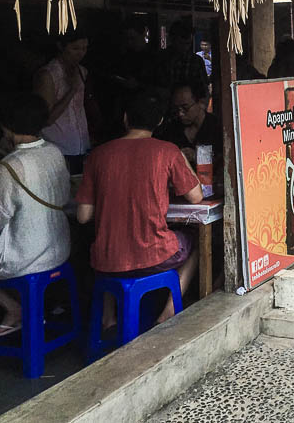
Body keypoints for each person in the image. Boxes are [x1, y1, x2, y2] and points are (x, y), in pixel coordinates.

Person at [76, 90, 202, 326]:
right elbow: (195, 197)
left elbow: (83, 216)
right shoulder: (167, 151)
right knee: (196, 242)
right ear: (160, 121)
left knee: (109, 249)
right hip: (153, 254)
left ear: (125, 119)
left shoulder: (98, 155)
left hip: (107, 258)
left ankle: (108, 316)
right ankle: (169, 311)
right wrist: (183, 159)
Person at [0, 93, 70, 338]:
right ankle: (30, 308)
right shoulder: (55, 152)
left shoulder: (8, 166)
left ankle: (14, 309)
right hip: (60, 249)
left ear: (5, 126)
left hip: (26, 258)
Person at [35, 30, 91, 174]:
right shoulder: (49, 75)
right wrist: (71, 90)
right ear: (61, 46)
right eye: (75, 48)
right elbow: (46, 119)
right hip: (57, 146)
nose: (81, 54)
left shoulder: (82, 71)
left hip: (81, 145)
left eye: (84, 48)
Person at [155, 82, 224, 198]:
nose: (180, 114)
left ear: (201, 103)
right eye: (177, 109)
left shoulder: (217, 127)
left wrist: (197, 156)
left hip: (213, 193)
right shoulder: (171, 129)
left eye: (185, 108)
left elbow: (226, 160)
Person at [157, 21, 209, 94]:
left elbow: (204, 90)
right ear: (172, 39)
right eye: (181, 43)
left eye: (188, 44)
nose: (184, 47)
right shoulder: (161, 58)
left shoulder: (196, 61)